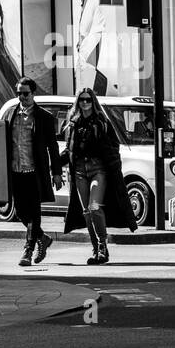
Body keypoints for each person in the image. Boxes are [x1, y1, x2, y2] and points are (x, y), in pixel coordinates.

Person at [60, 88, 136, 264]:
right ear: (77, 102)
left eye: (88, 100)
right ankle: (96, 249)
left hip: (98, 170)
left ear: (93, 102)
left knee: (94, 206)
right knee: (86, 211)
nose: (85, 103)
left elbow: (113, 146)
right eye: (81, 100)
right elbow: (68, 150)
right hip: (79, 172)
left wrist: (114, 166)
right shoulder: (72, 123)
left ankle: (103, 246)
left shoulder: (102, 122)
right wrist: (54, 165)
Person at [8, 77, 64, 267]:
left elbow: (53, 147)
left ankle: (28, 250)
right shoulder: (11, 115)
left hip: (34, 172)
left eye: (25, 93)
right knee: (20, 211)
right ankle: (43, 237)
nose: (21, 97)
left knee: (33, 212)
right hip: (15, 171)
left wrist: (57, 172)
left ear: (33, 94)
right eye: (19, 93)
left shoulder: (44, 117)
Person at [74, 0, 108, 96]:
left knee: (86, 67)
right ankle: (85, 92)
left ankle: (85, 93)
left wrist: (81, 39)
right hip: (91, 37)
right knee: (86, 66)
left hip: (91, 37)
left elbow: (86, 20)